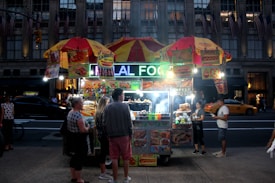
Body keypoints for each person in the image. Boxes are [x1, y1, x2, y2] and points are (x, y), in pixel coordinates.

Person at [103, 88, 132, 183]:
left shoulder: (107, 107)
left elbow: (105, 123)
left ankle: (115, 179)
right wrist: (130, 134)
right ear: (119, 96)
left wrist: (108, 134)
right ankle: (126, 178)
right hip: (124, 135)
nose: (124, 96)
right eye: (123, 94)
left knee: (114, 158)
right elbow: (129, 122)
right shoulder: (125, 107)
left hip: (112, 136)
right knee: (126, 157)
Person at [66, 97, 90, 183]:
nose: (82, 104)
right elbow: (82, 130)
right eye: (81, 103)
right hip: (79, 140)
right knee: (79, 158)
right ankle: (79, 179)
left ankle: (74, 177)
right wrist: (88, 127)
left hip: (72, 138)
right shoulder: (78, 115)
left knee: (74, 158)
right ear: (77, 104)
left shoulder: (70, 113)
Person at [95, 96, 112, 180]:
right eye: (108, 102)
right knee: (103, 153)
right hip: (105, 136)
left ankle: (104, 170)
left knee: (103, 152)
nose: (109, 104)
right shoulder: (104, 112)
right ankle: (102, 173)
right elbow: (105, 126)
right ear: (105, 103)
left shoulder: (98, 112)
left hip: (101, 135)